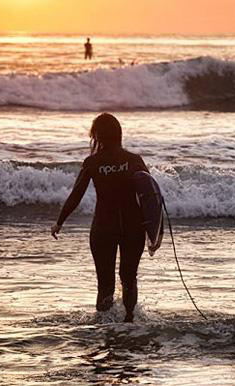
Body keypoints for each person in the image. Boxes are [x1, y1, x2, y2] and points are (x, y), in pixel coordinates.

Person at [51, 113, 148, 322]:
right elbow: (150, 198)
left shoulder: (93, 162)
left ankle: (105, 326)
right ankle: (130, 322)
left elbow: (76, 193)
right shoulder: (134, 160)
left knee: (105, 283)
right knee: (129, 278)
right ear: (118, 133)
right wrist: (155, 232)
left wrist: (60, 221)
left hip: (104, 227)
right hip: (134, 228)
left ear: (97, 136)